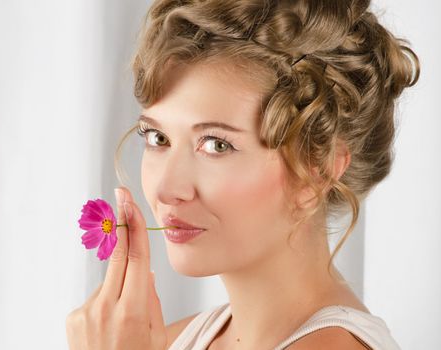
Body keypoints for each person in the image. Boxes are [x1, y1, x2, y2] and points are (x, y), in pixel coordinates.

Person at [66, 0, 420, 349]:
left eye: (216, 145)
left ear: (319, 171)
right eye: (158, 138)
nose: (167, 189)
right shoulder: (172, 340)